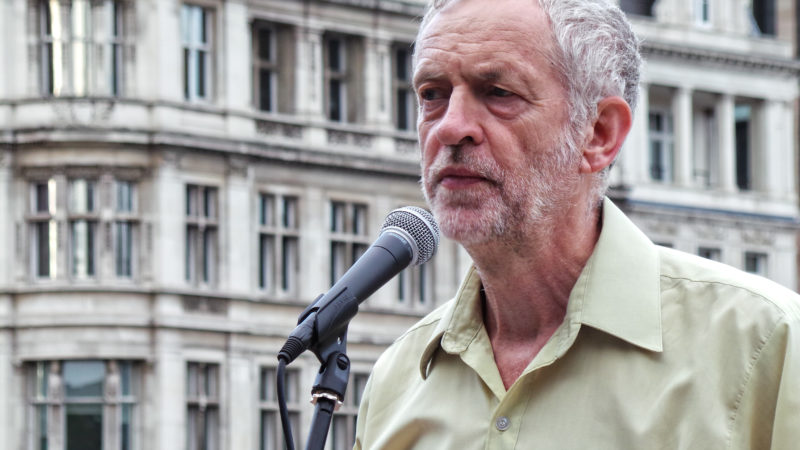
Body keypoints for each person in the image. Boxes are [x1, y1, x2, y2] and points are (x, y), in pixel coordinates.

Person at [353, 0, 800, 448]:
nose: (450, 128)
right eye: (432, 94)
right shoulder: (395, 382)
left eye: (498, 93)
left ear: (599, 133)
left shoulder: (766, 344)